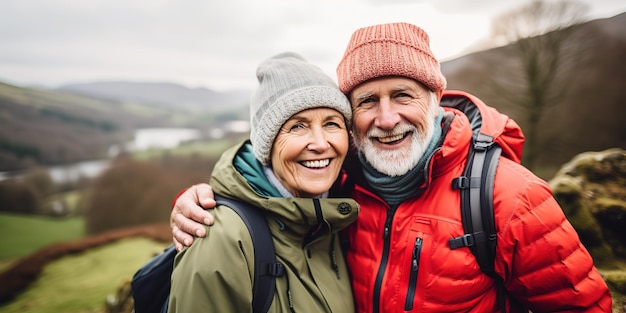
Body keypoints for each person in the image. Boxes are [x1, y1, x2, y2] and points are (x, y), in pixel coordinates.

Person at [170, 23, 612, 312]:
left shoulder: (510, 197)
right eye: (367, 101)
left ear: (435, 101)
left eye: (402, 95)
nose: (385, 118)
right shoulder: (339, 185)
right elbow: (269, 190)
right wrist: (203, 201)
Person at [167, 52, 359, 312]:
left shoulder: (336, 214)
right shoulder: (221, 240)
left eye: (332, 124)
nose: (320, 143)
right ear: (267, 146)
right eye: (297, 127)